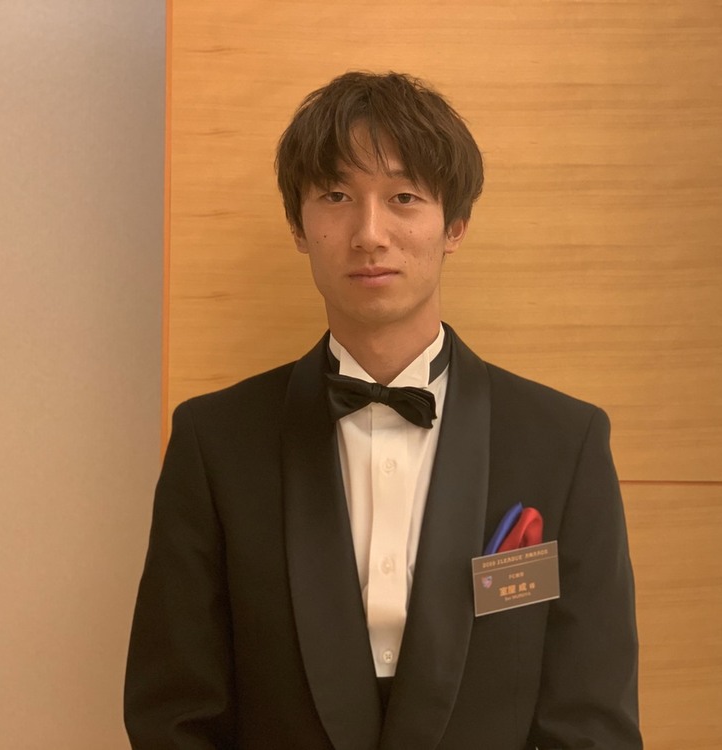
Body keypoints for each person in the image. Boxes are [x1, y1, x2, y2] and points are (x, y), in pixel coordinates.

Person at [125, 71, 642, 749]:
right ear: (299, 225)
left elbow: (593, 721)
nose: (369, 233)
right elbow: (173, 717)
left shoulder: (563, 443)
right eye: (336, 196)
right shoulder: (215, 440)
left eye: (403, 197)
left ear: (455, 224)